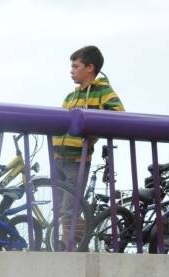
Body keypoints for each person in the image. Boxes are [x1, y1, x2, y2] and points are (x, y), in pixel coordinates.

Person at [51, 45, 124, 249]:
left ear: (90, 67)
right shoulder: (71, 97)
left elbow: (118, 113)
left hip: (77, 159)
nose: (71, 70)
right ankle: (77, 242)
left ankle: (72, 248)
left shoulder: (103, 91)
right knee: (60, 209)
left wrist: (92, 129)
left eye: (76, 66)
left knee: (68, 209)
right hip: (58, 157)